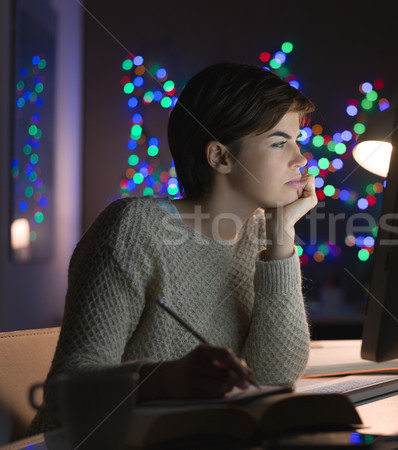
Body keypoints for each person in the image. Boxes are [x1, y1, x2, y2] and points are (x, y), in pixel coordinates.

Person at [29, 62, 317, 433]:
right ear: (221, 157)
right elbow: (64, 395)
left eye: (297, 141)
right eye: (280, 143)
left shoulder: (261, 234)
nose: (301, 159)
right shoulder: (134, 227)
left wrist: (281, 240)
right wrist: (166, 379)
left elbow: (272, 379)